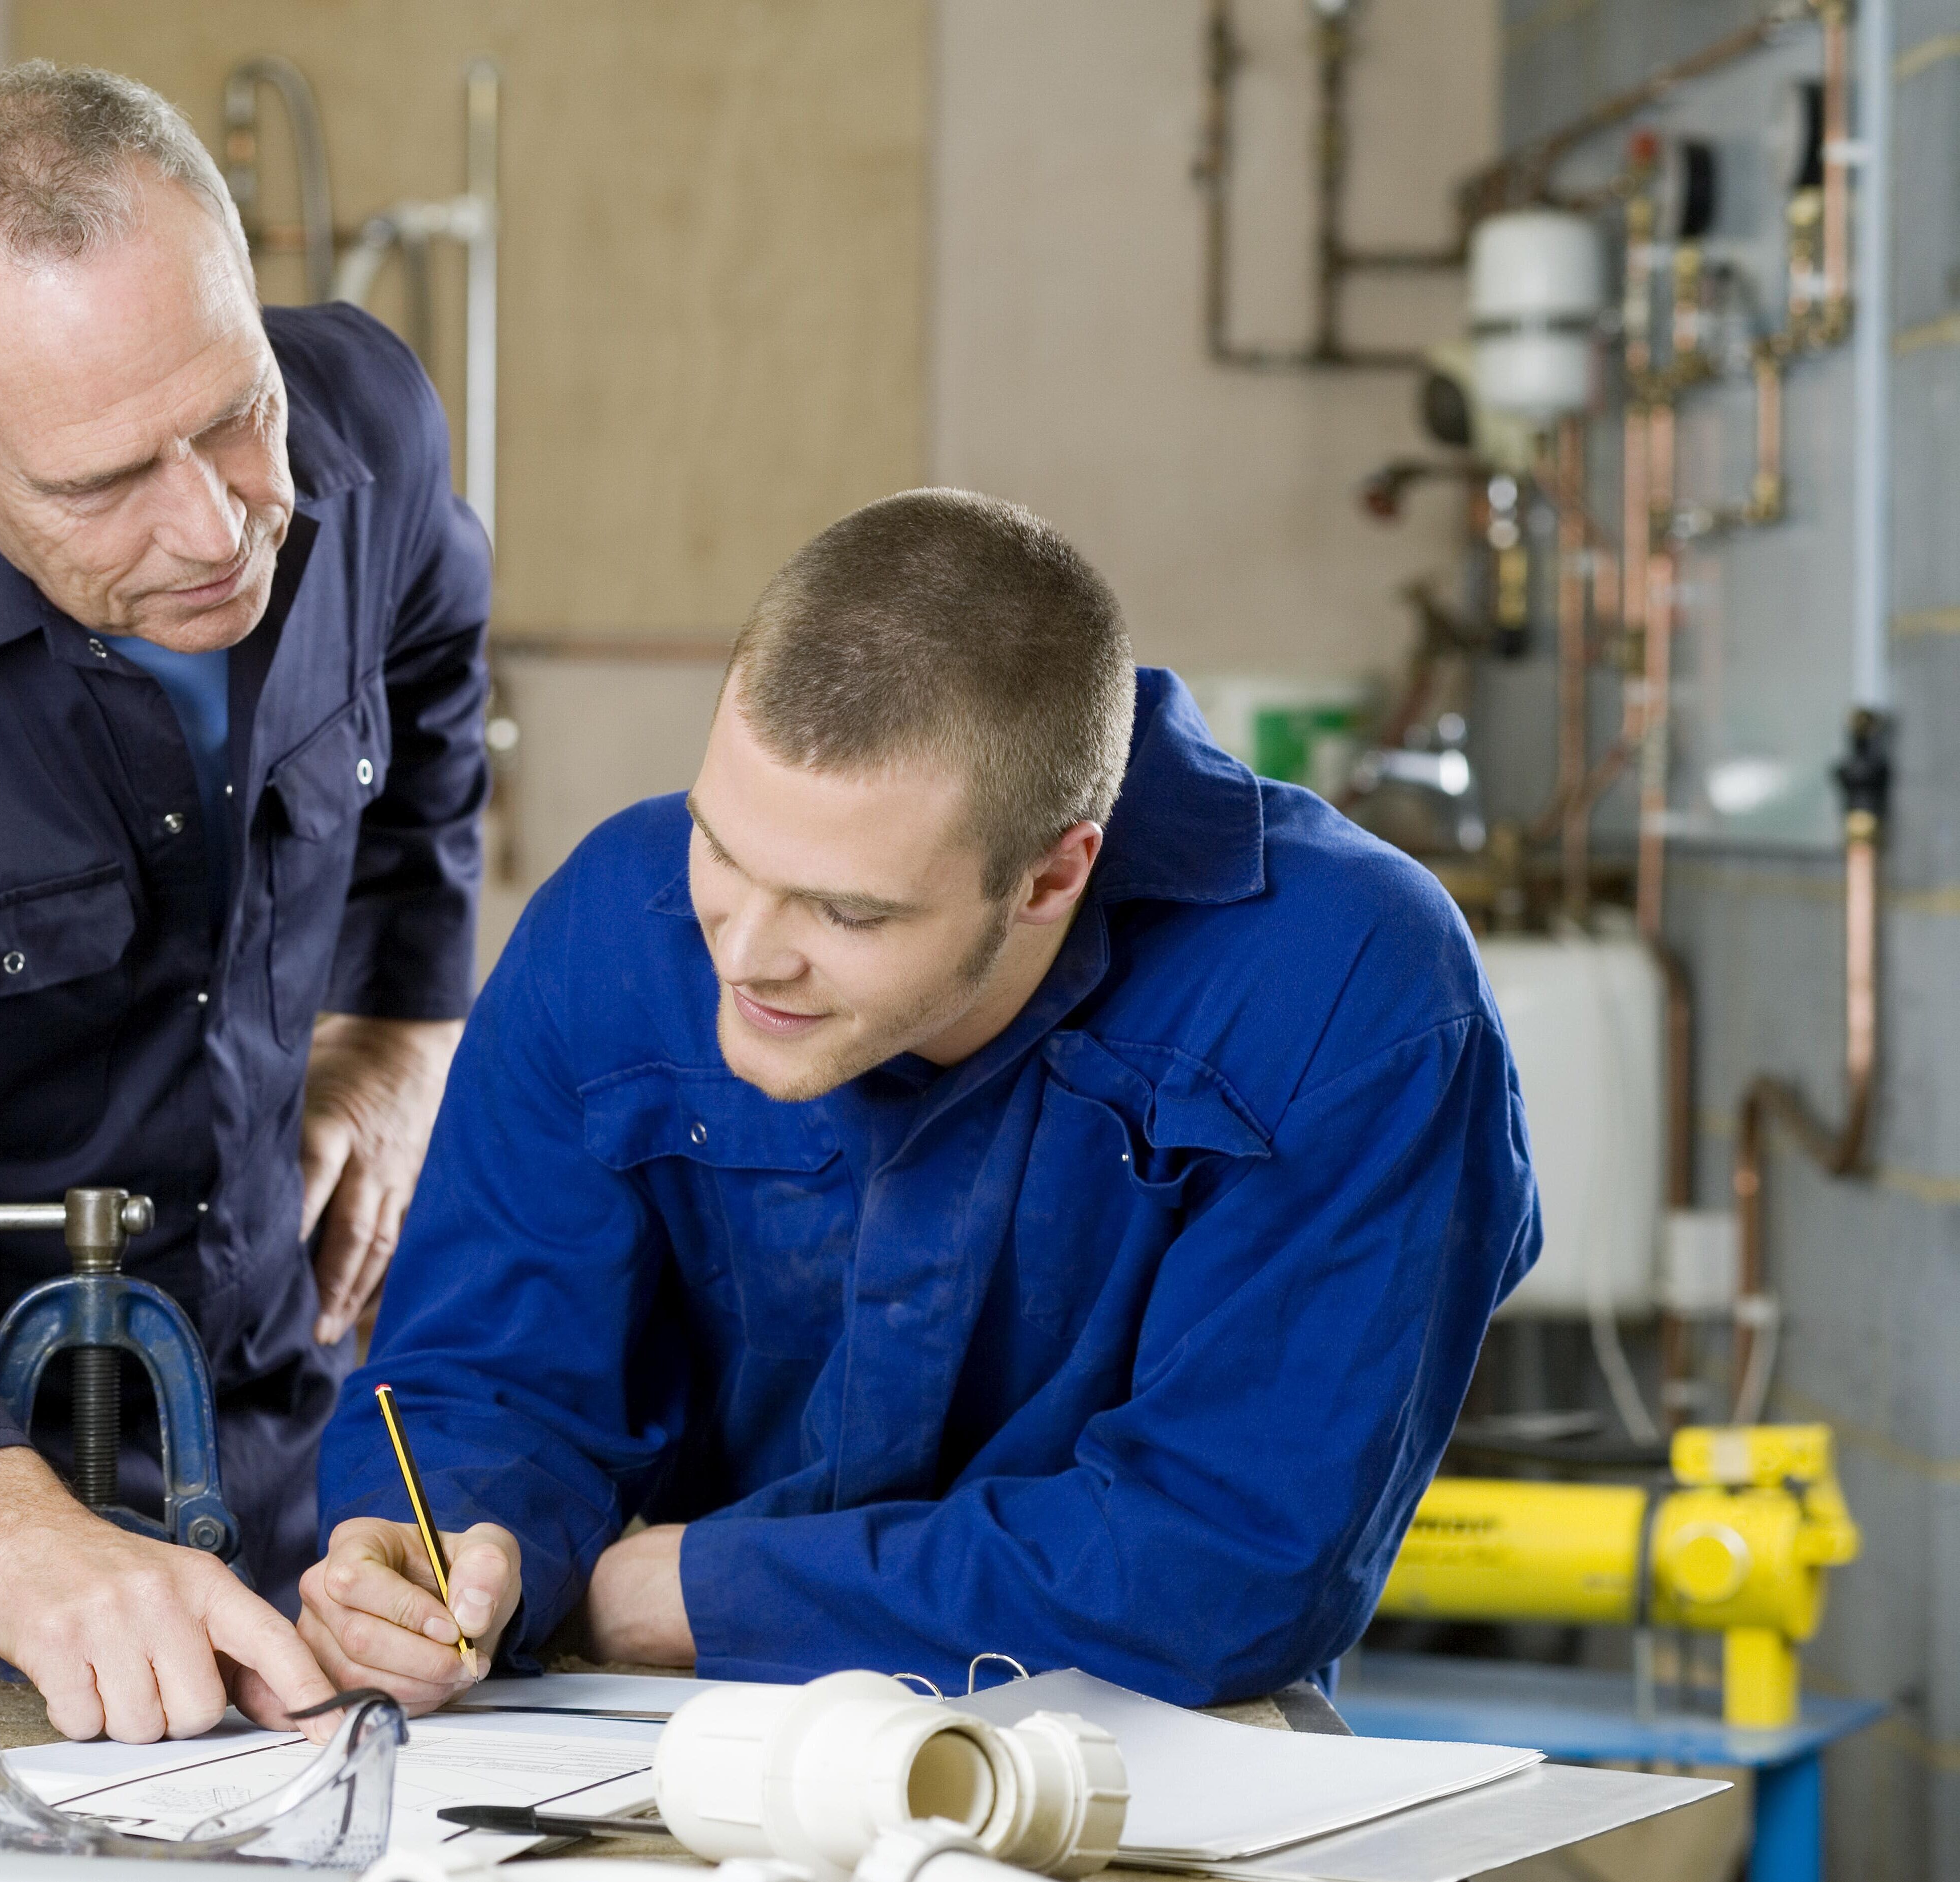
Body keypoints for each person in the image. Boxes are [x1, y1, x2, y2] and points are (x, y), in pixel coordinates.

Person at [303, 489, 1538, 1710]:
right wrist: (451, 1555)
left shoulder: (1351, 991)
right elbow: (480, 1382)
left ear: (1056, 870)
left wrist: (675, 1592)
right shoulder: (611, 926)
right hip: (672, 1726)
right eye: (722, 849)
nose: (742, 955)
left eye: (848, 911)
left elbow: (1226, 1561)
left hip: (1145, 1742)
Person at [0, 64, 491, 1741]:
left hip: (272, 1461)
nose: (221, 522)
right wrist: (18, 1533)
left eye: (233, 410)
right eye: (103, 483)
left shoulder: (363, 419)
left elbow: (442, 679)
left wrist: (398, 1027)